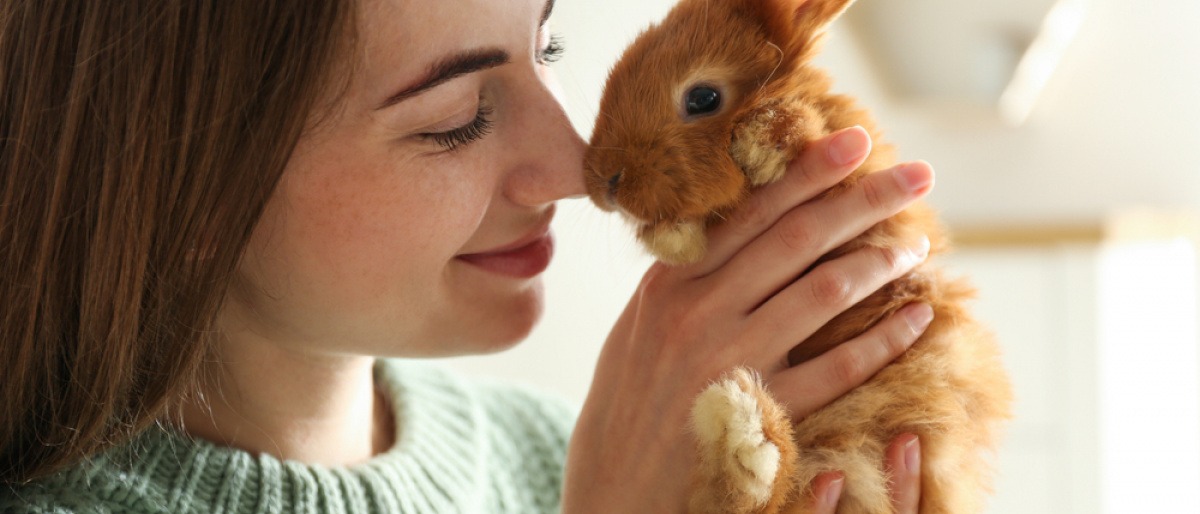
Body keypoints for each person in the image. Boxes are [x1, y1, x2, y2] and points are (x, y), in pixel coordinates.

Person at [0, 0, 934, 512]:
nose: (574, 166)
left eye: (546, 45)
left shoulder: (551, 458)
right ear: (187, 183)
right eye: (457, 119)